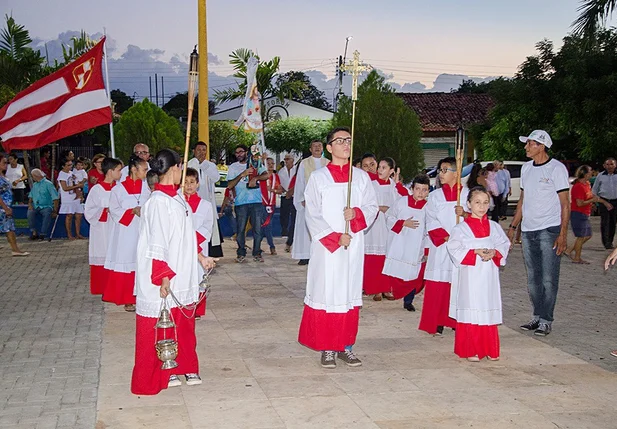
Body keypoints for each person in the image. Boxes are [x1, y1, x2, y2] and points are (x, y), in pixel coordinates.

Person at [131, 149, 215, 395]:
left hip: (184, 270)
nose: (182, 171)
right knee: (163, 325)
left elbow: (185, 236)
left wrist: (200, 257)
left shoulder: (177, 198)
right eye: (180, 166)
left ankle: (186, 365)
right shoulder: (157, 202)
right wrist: (163, 276)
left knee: (184, 323)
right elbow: (157, 242)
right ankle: (164, 371)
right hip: (166, 274)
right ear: (172, 169)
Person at [297, 127, 378, 368]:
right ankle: (327, 348)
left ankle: (346, 346)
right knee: (327, 292)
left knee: (348, 293)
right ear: (329, 147)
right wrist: (334, 237)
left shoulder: (361, 178)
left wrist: (356, 214)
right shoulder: (319, 178)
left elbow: (372, 207)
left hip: (352, 246)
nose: (346, 144)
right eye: (340, 141)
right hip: (327, 249)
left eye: (349, 140)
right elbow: (312, 213)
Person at [507, 130, 570, 337]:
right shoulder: (526, 169)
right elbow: (523, 200)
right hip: (528, 231)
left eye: (530, 144)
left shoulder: (556, 169)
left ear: (541, 146)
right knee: (533, 278)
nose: (526, 147)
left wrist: (562, 234)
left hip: (549, 230)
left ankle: (546, 319)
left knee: (548, 278)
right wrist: (513, 227)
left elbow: (565, 204)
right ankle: (537, 315)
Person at [447, 186, 510, 362]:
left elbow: (503, 244)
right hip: (470, 276)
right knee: (472, 307)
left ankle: (490, 348)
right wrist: (475, 252)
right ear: (468, 204)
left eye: (485, 203)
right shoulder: (460, 229)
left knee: (487, 306)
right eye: (477, 202)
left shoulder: (495, 227)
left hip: (488, 275)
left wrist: (495, 253)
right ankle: (471, 349)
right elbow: (454, 248)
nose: (481, 207)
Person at [419, 156, 469, 336]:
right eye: (440, 170)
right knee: (439, 284)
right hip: (441, 245)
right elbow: (430, 219)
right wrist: (444, 236)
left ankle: (456, 319)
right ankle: (437, 320)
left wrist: (465, 214)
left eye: (445, 170)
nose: (440, 174)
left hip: (460, 246)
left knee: (457, 283)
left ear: (457, 173)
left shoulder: (467, 195)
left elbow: (479, 217)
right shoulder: (435, 196)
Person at [103, 155, 151, 311]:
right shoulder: (118, 189)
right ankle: (128, 299)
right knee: (127, 261)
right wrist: (131, 211)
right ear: (133, 169)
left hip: (143, 229)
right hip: (126, 231)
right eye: (144, 169)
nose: (147, 172)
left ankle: (144, 296)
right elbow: (114, 210)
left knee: (143, 262)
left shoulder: (148, 188)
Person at [383, 174, 430, 312]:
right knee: (398, 272)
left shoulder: (429, 208)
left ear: (428, 191)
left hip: (416, 247)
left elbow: (429, 230)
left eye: (424, 190)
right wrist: (402, 223)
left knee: (413, 275)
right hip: (400, 243)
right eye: (418, 189)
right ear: (412, 189)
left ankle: (408, 301)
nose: (420, 193)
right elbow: (389, 216)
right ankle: (395, 291)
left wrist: (426, 250)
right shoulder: (401, 202)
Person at [363, 156, 407, 301]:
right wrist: (379, 208)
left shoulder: (394, 186)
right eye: (379, 167)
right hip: (376, 225)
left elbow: (405, 200)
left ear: (391, 171)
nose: (380, 170)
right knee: (375, 258)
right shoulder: (372, 184)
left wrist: (398, 184)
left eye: (384, 168)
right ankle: (376, 289)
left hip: (389, 225)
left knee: (388, 257)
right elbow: (365, 202)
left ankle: (387, 288)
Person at [85, 157, 122, 295]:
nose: (121, 173)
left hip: (116, 227)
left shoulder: (119, 189)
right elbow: (89, 211)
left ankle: (115, 288)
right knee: (102, 254)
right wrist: (104, 210)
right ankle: (102, 288)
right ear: (110, 171)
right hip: (101, 228)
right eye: (118, 170)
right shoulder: (97, 190)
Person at [227, 144, 269, 263]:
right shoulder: (233, 167)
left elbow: (267, 175)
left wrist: (256, 178)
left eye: (241, 152)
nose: (238, 154)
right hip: (241, 202)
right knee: (240, 230)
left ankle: (257, 252)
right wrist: (242, 175)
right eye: (236, 153)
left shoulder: (255, 162)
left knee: (257, 230)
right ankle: (241, 253)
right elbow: (230, 185)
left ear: (246, 152)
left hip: (256, 201)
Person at [292, 141, 330, 265]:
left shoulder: (328, 163)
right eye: (315, 146)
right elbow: (300, 182)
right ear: (310, 149)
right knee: (305, 228)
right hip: (308, 201)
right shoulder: (304, 163)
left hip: (324, 202)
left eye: (319, 146)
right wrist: (300, 199)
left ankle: (321, 254)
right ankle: (305, 255)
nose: (317, 148)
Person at [183, 167, 214, 319]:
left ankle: (196, 308)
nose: (189, 185)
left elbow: (208, 225)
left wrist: (193, 239)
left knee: (198, 276)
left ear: (197, 184)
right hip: (181, 246)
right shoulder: (178, 203)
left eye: (192, 182)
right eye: (186, 182)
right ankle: (183, 307)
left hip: (199, 246)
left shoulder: (206, 205)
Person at [187, 141, 223, 258]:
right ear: (194, 151)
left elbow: (216, 178)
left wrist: (204, 165)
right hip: (193, 202)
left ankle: (210, 254)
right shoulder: (189, 164)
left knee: (209, 227)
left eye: (204, 150)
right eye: (199, 150)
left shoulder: (210, 165)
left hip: (207, 201)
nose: (201, 153)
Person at [566, 165, 607, 264]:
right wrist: (591, 201)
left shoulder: (587, 184)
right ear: (584, 173)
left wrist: (592, 202)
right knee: (581, 236)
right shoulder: (578, 186)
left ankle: (569, 250)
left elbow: (588, 197)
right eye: (590, 171)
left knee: (587, 235)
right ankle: (577, 258)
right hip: (578, 213)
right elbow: (579, 203)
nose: (592, 173)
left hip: (585, 213)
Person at [0, 154, 29, 256]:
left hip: (7, 205)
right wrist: (5, 207)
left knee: (9, 227)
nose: (6, 164)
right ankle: (15, 249)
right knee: (9, 228)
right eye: (4, 162)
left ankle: (15, 249)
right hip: (3, 207)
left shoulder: (3, 175)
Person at [592, 157, 617, 249]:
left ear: (615, 165)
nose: (610, 166)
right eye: (607, 164)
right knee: (605, 222)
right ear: (604, 165)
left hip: (615, 201)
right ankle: (606, 242)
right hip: (604, 201)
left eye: (612, 164)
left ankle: (610, 241)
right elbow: (595, 189)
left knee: (613, 222)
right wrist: (594, 202)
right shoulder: (600, 176)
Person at [57, 157, 85, 240]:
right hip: (67, 198)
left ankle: (78, 233)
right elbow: (65, 188)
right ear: (63, 166)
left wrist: (80, 194)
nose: (70, 166)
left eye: (71, 165)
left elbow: (77, 183)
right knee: (69, 215)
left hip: (75, 197)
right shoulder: (62, 175)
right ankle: (69, 234)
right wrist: (77, 186)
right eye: (68, 165)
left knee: (79, 215)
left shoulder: (72, 173)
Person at [27, 169, 59, 240]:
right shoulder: (35, 185)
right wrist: (30, 204)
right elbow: (31, 196)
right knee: (30, 213)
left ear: (35, 176)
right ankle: (33, 232)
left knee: (47, 214)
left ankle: (43, 233)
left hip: (46, 206)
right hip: (36, 205)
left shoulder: (48, 184)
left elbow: (55, 198)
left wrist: (55, 210)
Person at [260, 157, 282, 255]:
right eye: (268, 163)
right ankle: (271, 246)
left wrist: (273, 190)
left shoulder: (275, 177)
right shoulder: (261, 176)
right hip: (262, 204)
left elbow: (280, 190)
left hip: (271, 205)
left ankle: (260, 246)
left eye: (272, 163)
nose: (270, 165)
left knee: (267, 226)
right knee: (265, 226)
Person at [278, 154, 297, 245]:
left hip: (294, 195)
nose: (286, 161)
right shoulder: (281, 171)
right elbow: (279, 183)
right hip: (284, 195)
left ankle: (291, 233)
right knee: (284, 214)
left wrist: (292, 191)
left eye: (288, 159)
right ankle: (284, 230)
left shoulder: (297, 170)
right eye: (285, 159)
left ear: (292, 160)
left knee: (293, 214)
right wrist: (285, 191)